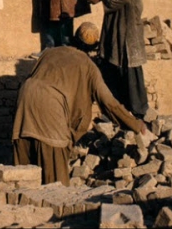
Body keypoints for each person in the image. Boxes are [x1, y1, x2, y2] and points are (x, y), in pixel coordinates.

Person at [12, 22, 147, 186]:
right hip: (52, 110)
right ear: (94, 47)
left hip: (25, 103)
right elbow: (108, 102)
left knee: (24, 180)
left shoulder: (50, 53)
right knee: (56, 186)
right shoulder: (89, 66)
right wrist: (134, 124)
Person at [76, 0, 149, 117]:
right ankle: (120, 108)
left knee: (130, 63)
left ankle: (138, 112)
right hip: (118, 23)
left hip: (127, 24)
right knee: (115, 60)